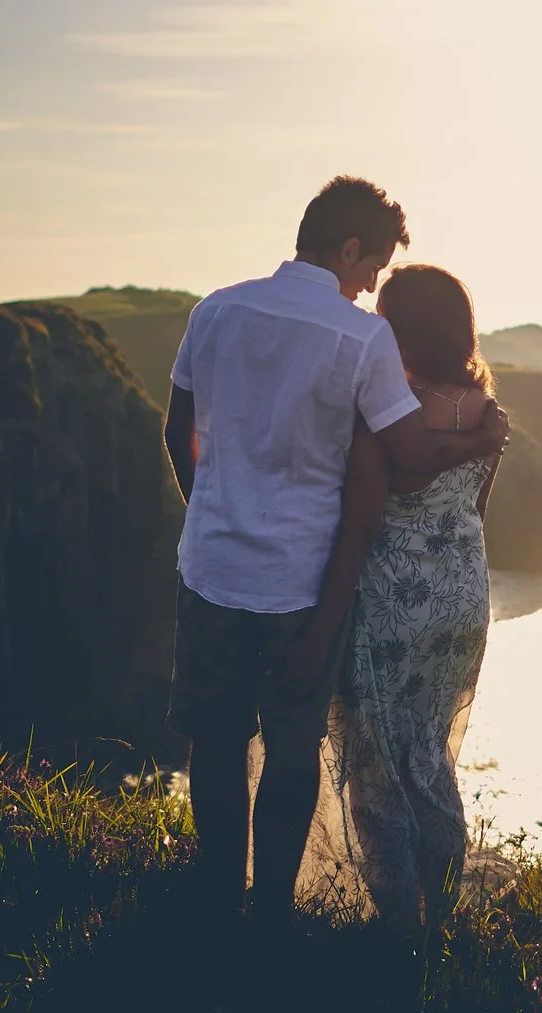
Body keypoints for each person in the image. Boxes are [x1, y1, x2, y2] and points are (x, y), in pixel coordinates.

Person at [162, 176, 508, 922]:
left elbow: (176, 430)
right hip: (302, 582)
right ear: (349, 248)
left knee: (215, 739)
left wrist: (213, 513)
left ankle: (219, 890)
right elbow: (408, 447)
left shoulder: (215, 309)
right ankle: (272, 909)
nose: (371, 285)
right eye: (374, 265)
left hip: (213, 566)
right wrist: (481, 437)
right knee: (291, 746)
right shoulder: (361, 337)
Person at [308, 263, 502, 941]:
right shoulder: (486, 407)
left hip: (392, 603)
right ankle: (441, 911)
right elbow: (472, 504)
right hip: (462, 600)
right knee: (428, 752)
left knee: (376, 763)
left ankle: (399, 926)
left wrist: (324, 615)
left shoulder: (386, 403)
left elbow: (363, 520)